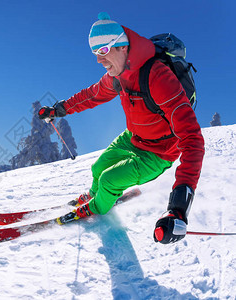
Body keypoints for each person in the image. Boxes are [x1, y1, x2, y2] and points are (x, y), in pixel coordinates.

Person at [38, 12, 205, 244]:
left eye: (103, 51)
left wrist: (178, 207)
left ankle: (97, 208)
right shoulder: (117, 75)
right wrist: (58, 110)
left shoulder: (158, 77)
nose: (99, 60)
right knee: (98, 168)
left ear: (122, 46)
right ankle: (96, 196)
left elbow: (193, 140)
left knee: (108, 179)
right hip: (133, 138)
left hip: (158, 152)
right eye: (95, 53)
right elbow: (91, 95)